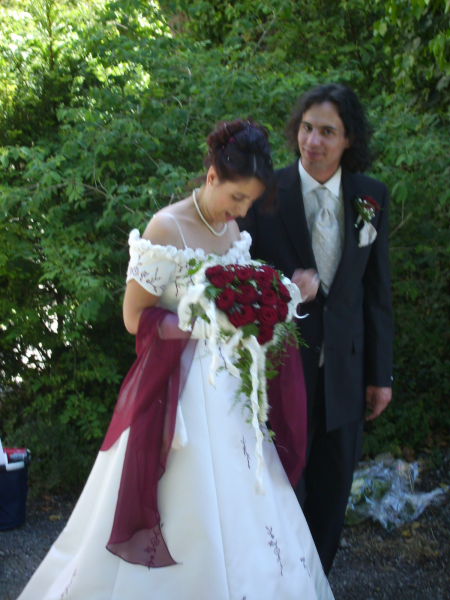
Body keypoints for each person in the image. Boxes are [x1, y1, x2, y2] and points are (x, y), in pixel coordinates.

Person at [18, 118, 334, 599]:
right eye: (236, 197)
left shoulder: (233, 232)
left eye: (248, 202)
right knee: (187, 502)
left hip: (230, 396)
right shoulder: (166, 227)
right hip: (178, 396)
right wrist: (199, 324)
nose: (240, 211)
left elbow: (242, 306)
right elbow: (134, 318)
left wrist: (282, 295)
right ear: (212, 176)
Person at [239, 84, 394, 574]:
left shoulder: (370, 197)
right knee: (284, 487)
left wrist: (381, 375)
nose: (313, 141)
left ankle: (316, 584)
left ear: (349, 139)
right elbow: (238, 279)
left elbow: (376, 293)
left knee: (333, 492)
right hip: (282, 369)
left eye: (328, 132)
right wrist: (285, 288)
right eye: (307, 128)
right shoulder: (266, 193)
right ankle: (279, 583)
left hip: (346, 372)